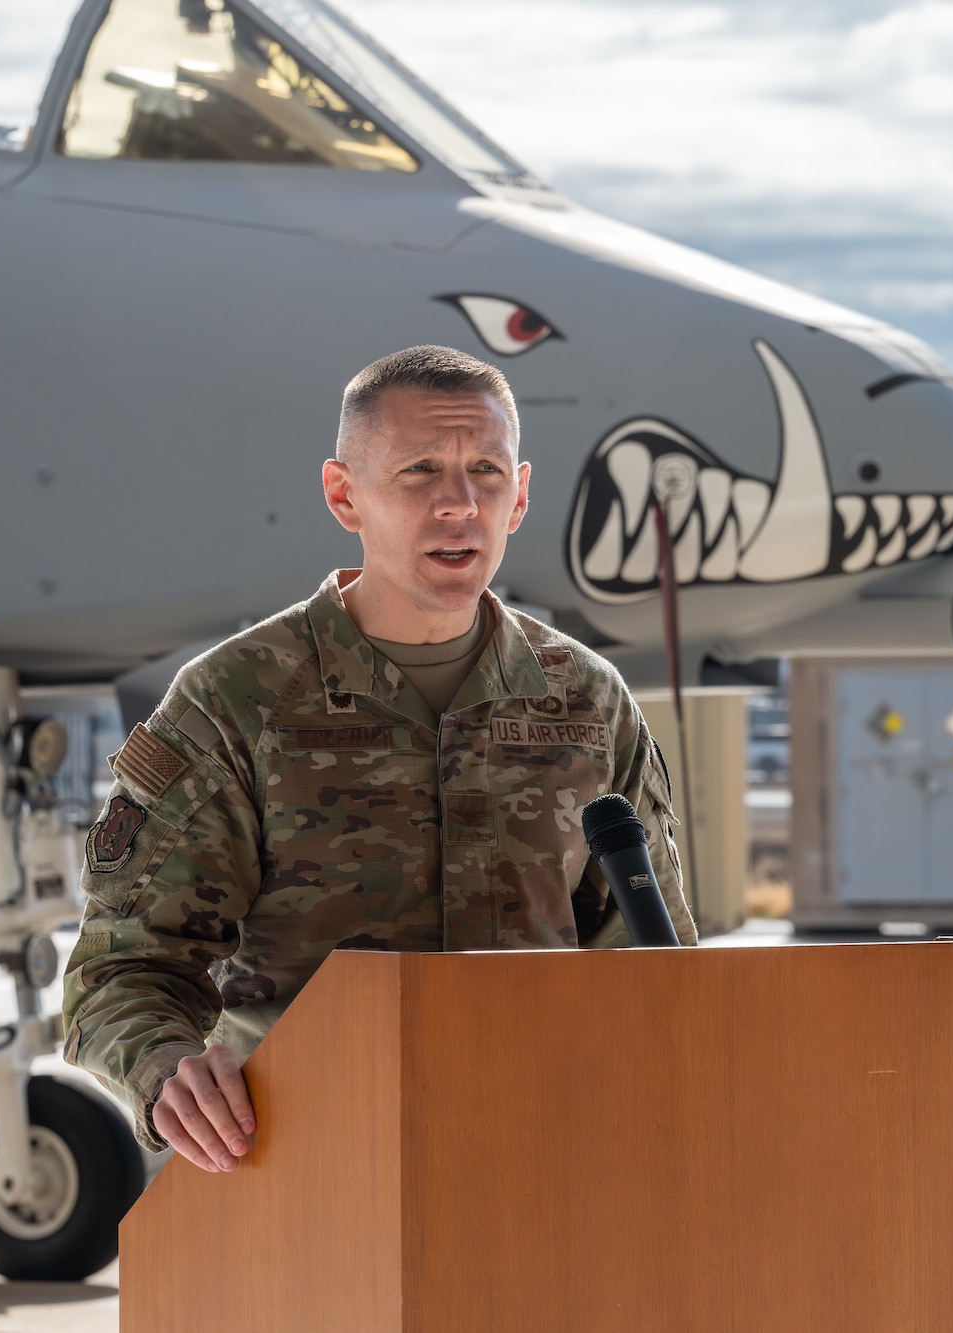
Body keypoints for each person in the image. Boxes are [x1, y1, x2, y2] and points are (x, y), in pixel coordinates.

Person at [62, 345, 697, 1173]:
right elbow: (125, 965)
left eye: (486, 472)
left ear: (519, 497)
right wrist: (166, 1070)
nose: (459, 503)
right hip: (310, 1169)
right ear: (344, 495)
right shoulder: (239, 699)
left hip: (545, 1162)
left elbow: (652, 962)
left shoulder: (586, 701)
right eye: (419, 471)